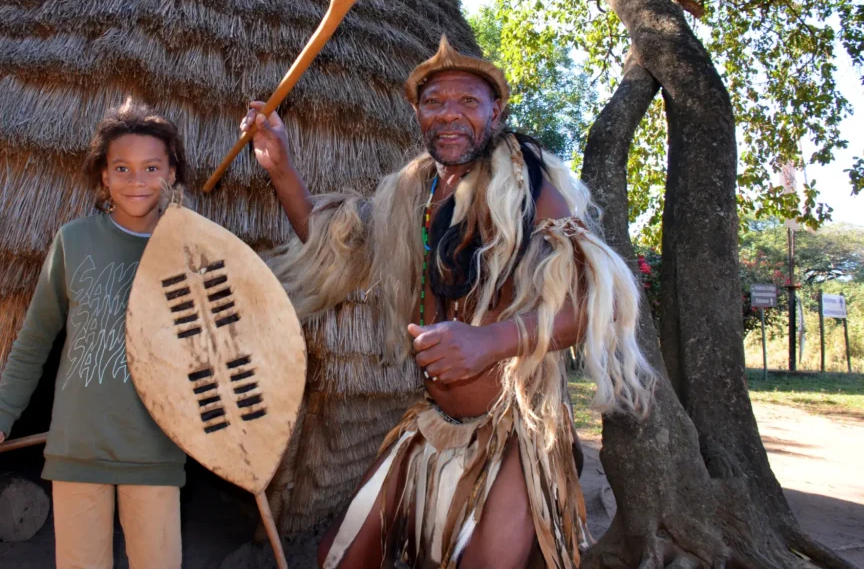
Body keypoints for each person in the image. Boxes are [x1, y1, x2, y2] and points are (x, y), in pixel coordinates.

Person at [242, 36, 656, 569]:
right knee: (340, 557)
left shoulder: (529, 186)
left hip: (514, 431)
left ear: (496, 112)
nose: (450, 115)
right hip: (431, 423)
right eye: (435, 102)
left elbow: (604, 303)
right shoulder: (412, 192)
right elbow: (334, 246)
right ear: (416, 112)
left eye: (468, 102)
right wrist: (279, 167)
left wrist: (492, 340)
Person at [0, 99, 188, 569]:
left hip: (154, 450)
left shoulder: (191, 250)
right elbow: (35, 339)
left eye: (151, 167)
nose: (137, 180)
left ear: (172, 174)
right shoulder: (75, 240)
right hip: (78, 447)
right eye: (121, 167)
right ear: (103, 176)